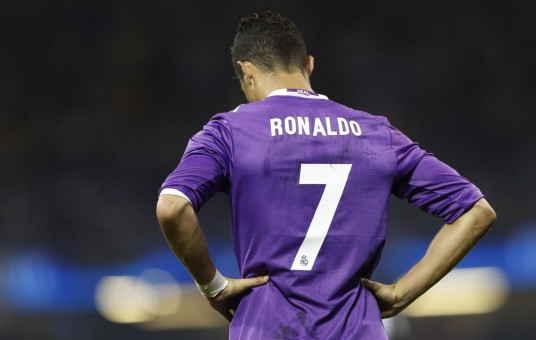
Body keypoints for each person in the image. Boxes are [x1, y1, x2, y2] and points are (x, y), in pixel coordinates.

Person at [156, 10, 496, 339]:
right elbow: (476, 212)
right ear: (309, 65)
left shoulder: (231, 131)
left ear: (246, 72)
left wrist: (213, 286)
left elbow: (172, 207)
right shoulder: (376, 133)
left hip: (267, 329)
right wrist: (402, 293)